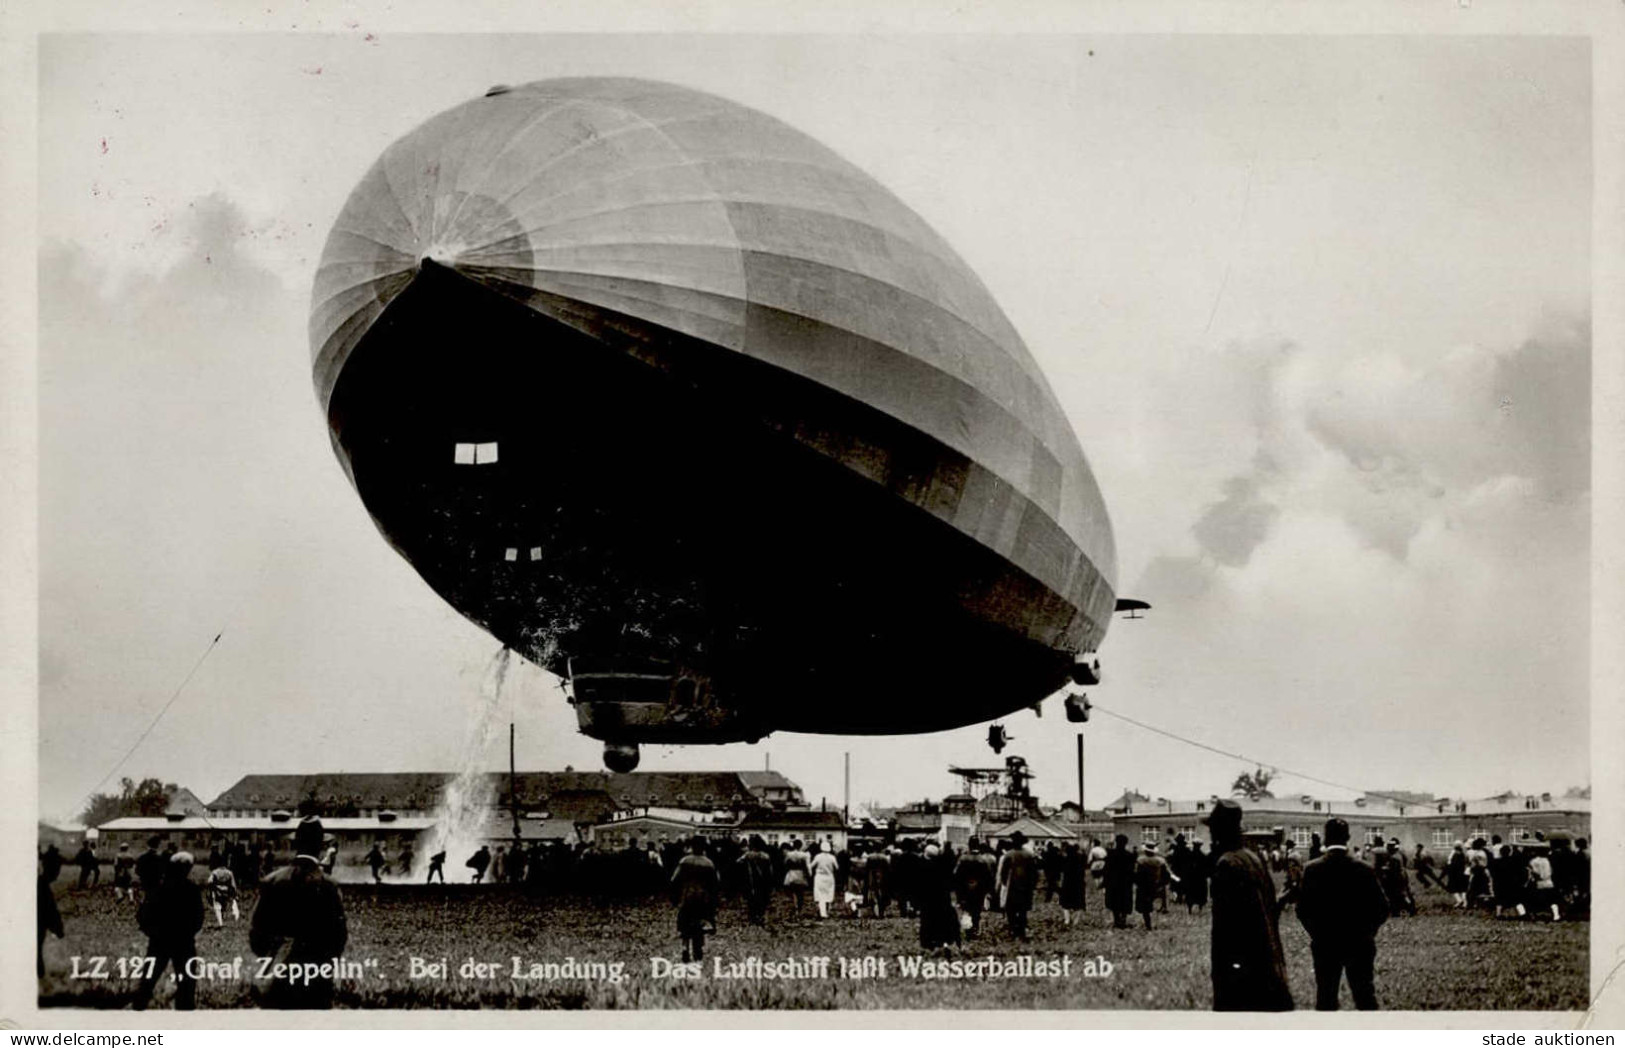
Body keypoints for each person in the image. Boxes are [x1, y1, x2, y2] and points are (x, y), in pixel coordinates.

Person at [249, 817, 348, 1009]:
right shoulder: (329, 885)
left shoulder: (272, 881)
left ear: (295, 844)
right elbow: (339, 935)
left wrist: (269, 957)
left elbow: (257, 931)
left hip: (277, 973)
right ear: (320, 846)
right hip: (317, 975)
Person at [1205, 799, 1293, 1012]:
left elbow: (1226, 925)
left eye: (1213, 829)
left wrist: (1228, 967)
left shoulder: (1227, 863)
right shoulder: (1253, 858)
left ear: (1219, 831)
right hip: (1267, 959)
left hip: (1240, 965)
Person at [1296, 817, 1388, 1011]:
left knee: (1326, 998)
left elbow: (1302, 910)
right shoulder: (1364, 869)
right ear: (1347, 837)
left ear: (1325, 839)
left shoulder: (1312, 869)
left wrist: (1317, 933)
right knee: (1365, 997)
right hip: (1360, 942)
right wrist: (1367, 933)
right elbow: (1381, 908)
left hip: (1325, 943)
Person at [132, 851, 204, 1010]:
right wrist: (188, 932)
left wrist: (152, 933)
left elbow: (143, 915)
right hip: (184, 942)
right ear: (188, 869)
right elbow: (198, 917)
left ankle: (137, 1009)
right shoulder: (192, 889)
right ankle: (185, 1015)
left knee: (148, 979)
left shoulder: (159, 888)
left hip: (159, 941)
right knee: (186, 982)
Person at [670, 836, 720, 963]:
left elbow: (674, 880)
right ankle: (698, 949)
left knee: (685, 924)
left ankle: (685, 947)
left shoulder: (685, 861)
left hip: (687, 896)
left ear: (692, 846)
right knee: (700, 923)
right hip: (703, 898)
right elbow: (715, 883)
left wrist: (675, 896)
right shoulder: (709, 863)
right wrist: (714, 900)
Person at [917, 843, 961, 951]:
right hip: (942, 899)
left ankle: (928, 943)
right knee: (942, 920)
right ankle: (943, 941)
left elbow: (918, 885)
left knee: (927, 920)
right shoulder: (943, 867)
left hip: (927, 900)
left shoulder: (922, 867)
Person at [998, 831, 1039, 941]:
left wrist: (1004, 883)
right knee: (1022, 910)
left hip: (1012, 887)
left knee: (1011, 909)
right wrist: (1033, 885)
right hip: (1026, 887)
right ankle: (1021, 931)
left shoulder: (1009, 855)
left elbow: (1003, 873)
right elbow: (1034, 873)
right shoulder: (1029, 855)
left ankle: (1013, 929)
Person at [954, 840, 997, 937]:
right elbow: (989, 876)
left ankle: (968, 929)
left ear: (969, 845)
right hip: (979, 889)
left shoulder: (963, 858)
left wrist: (958, 889)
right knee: (976, 910)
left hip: (965, 888)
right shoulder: (982, 859)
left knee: (966, 909)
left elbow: (956, 875)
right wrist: (988, 890)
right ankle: (975, 927)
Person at [1134, 843, 1174, 930]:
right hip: (1157, 885)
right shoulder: (1160, 860)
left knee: (1145, 908)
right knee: (1156, 904)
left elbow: (1137, 874)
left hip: (1144, 886)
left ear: (1145, 850)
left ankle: (1148, 924)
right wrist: (1163, 883)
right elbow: (1166, 874)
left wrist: (1137, 883)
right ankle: (1155, 924)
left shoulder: (1140, 860)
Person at [738, 835, 775, 926]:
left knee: (751, 898)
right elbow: (770, 870)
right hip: (764, 880)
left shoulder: (748, 855)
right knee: (763, 898)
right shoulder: (766, 856)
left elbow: (738, 862)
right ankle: (760, 915)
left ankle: (753, 916)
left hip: (751, 880)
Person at [38, 857, 64, 978]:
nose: (57, 875)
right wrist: (57, 929)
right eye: (57, 871)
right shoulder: (42, 886)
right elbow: (50, 910)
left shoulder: (40, 883)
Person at [1103, 834, 1136, 929]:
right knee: (1125, 900)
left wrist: (1105, 881)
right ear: (1126, 843)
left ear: (1116, 842)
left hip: (1113, 882)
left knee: (1114, 901)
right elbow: (1132, 870)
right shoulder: (1129, 855)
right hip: (1125, 882)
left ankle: (1116, 920)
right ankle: (1123, 920)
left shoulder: (1110, 854)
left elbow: (1106, 869)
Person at [1379, 841, 1415, 917]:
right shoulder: (1398, 855)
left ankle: (1407, 909)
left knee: (1397, 895)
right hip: (1402, 876)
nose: (1387, 850)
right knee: (1401, 894)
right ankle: (1408, 909)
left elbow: (1393, 870)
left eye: (1389, 848)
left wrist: (1385, 869)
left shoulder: (1394, 858)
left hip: (1396, 879)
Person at [1058, 841, 1089, 926]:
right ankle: (1076, 920)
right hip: (1079, 883)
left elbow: (1061, 869)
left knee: (1065, 903)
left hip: (1067, 883)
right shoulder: (1081, 859)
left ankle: (1067, 919)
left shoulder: (1065, 860)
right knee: (1079, 902)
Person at [809, 841, 839, 918]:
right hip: (829, 877)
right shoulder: (832, 857)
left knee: (820, 895)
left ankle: (822, 912)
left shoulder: (818, 856)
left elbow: (811, 866)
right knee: (828, 894)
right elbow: (837, 867)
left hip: (819, 877)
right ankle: (827, 909)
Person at [782, 839, 811, 912]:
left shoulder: (789, 854)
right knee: (800, 892)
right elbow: (807, 866)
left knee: (793, 890)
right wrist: (810, 874)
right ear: (800, 846)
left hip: (791, 873)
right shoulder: (804, 855)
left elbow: (785, 863)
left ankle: (795, 904)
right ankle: (799, 906)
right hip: (800, 874)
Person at [1185, 841, 1210, 913]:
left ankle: (1190, 909)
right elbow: (1206, 868)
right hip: (1200, 878)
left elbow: (1186, 867)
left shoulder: (1189, 855)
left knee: (1190, 893)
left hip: (1191, 878)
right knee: (1200, 893)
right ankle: (1200, 908)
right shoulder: (1203, 856)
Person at [1444, 842, 1469, 908]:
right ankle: (1465, 902)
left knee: (1453, 888)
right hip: (1462, 873)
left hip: (1454, 873)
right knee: (1463, 888)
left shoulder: (1454, 854)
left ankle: (1459, 900)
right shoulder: (1463, 854)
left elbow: (1450, 863)